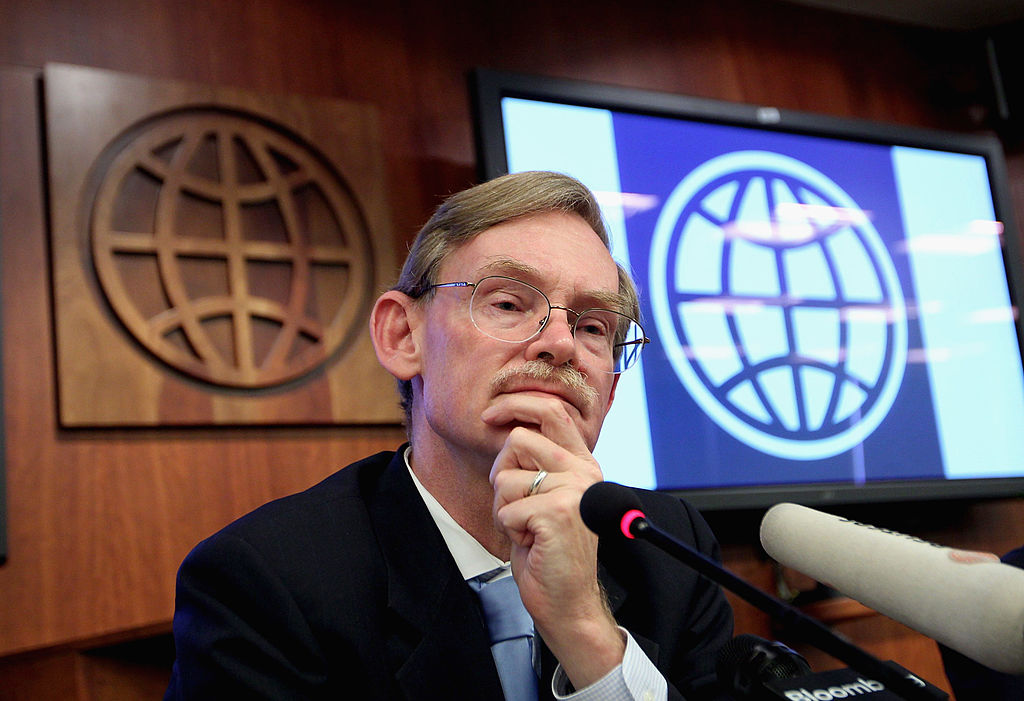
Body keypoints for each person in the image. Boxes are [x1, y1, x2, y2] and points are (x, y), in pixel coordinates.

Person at [164, 170, 734, 700]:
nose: (560, 344)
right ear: (402, 336)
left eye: (592, 327)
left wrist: (585, 627)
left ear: (610, 390)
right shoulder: (267, 580)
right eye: (508, 303)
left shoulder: (667, 550)